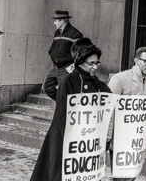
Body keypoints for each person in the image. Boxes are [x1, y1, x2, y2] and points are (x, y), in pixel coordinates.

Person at [31, 38, 111, 181]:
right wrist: (72, 140)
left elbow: (110, 99)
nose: (95, 67)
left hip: (87, 140)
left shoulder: (97, 83)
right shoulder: (69, 80)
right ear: (80, 62)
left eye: (97, 63)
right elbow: (63, 114)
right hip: (66, 138)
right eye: (91, 63)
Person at [107, 46, 146, 181]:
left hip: (138, 136)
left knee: (133, 173)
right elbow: (109, 109)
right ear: (136, 60)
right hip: (120, 136)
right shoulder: (119, 79)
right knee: (121, 175)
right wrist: (108, 136)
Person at [42, 10, 83, 101]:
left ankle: (66, 107)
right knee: (47, 87)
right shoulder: (57, 33)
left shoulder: (75, 34)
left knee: (66, 92)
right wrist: (53, 55)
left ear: (63, 20)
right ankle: (62, 103)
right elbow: (52, 48)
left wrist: (71, 67)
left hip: (66, 68)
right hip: (55, 67)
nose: (54, 23)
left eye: (56, 20)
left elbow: (79, 54)